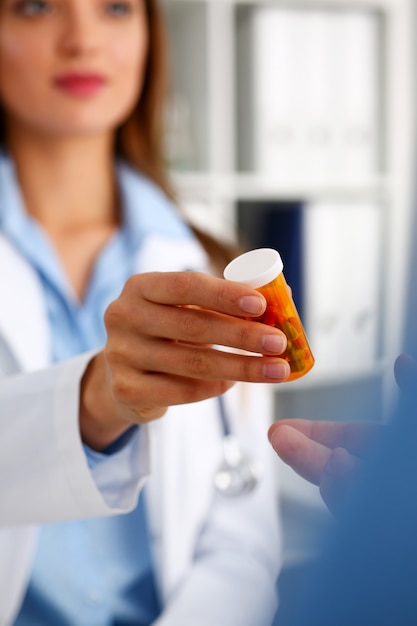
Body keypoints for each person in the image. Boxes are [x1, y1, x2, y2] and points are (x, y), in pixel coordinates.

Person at [0, 1, 291, 624]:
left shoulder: (214, 255)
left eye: (114, 7)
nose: (82, 40)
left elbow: (242, 535)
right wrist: (92, 402)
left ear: (149, 36)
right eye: (33, 6)